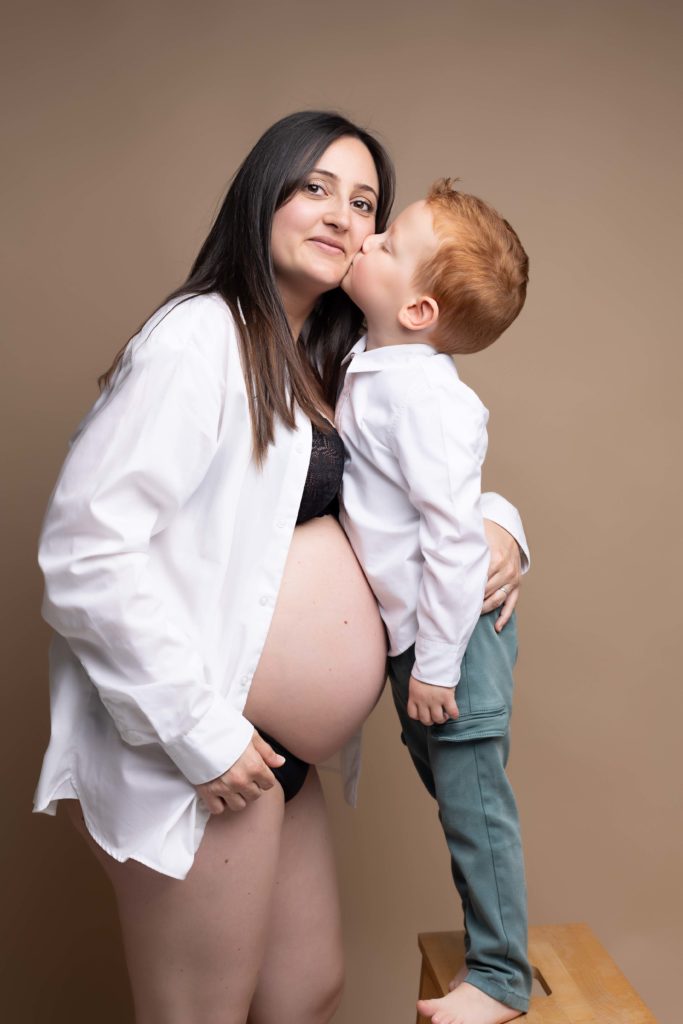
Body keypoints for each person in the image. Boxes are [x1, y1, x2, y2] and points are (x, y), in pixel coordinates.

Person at [33, 112, 528, 1024]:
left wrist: (502, 525)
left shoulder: (339, 355)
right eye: (316, 188)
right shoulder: (200, 339)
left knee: (305, 993)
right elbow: (82, 553)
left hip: (282, 751)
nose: (345, 215)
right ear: (264, 194)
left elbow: (423, 485)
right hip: (201, 742)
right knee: (200, 1012)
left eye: (366, 201)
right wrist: (200, 732)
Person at [336, 181, 531, 1024]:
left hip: (448, 647)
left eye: (388, 241)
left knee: (475, 815)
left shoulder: (424, 398)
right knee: (456, 801)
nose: (367, 237)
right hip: (422, 646)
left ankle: (499, 978)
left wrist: (436, 667)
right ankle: (493, 965)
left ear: (416, 309)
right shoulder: (377, 365)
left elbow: (454, 542)